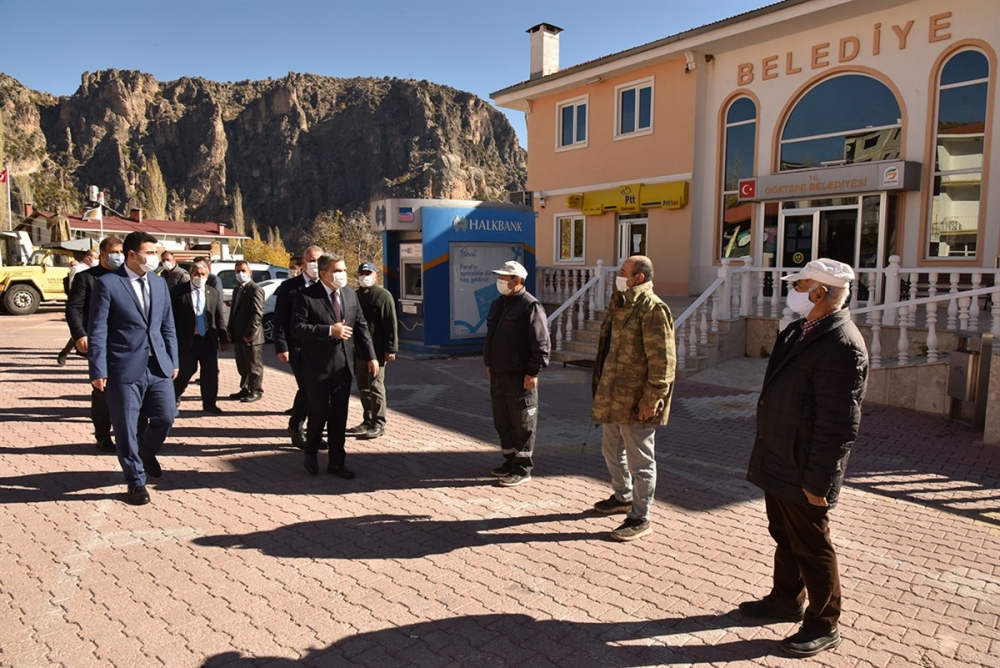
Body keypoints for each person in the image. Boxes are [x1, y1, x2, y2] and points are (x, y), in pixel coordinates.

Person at [739, 258, 869, 658]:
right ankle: (784, 600)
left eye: (800, 283)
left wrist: (820, 482)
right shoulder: (799, 330)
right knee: (784, 536)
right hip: (778, 455)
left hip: (803, 468)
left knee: (813, 546)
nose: (792, 289)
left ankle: (823, 623)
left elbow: (838, 425)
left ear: (820, 293)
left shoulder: (843, 344)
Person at [88, 231, 178, 506]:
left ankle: (146, 452)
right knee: (126, 428)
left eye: (155, 252)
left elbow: (167, 325)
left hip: (158, 366)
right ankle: (136, 481)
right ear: (131, 255)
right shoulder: (108, 284)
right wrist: (98, 369)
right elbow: (98, 329)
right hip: (123, 367)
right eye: (149, 253)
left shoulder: (159, 284)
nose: (154, 258)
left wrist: (173, 360)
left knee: (166, 417)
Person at [590, 255, 675, 542]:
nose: (618, 274)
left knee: (641, 462)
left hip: (637, 401)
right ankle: (622, 496)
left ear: (639, 277)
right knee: (611, 452)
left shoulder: (653, 309)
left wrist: (652, 398)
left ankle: (640, 516)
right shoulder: (622, 304)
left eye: (623, 271)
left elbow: (663, 361)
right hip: (612, 398)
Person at [292, 253, 378, 479]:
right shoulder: (306, 296)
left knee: (339, 417)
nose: (342, 275)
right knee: (320, 412)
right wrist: (330, 330)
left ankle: (337, 462)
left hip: (343, 367)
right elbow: (297, 328)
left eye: (344, 270)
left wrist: (371, 356)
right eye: (337, 271)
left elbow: (361, 327)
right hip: (317, 367)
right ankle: (310, 451)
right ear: (323, 274)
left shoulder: (350, 294)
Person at [482, 260, 550, 487]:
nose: (500, 281)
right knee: (503, 421)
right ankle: (509, 461)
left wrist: (533, 372)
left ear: (518, 281)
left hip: (520, 377)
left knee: (522, 422)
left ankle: (522, 468)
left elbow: (540, 343)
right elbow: (492, 337)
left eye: (505, 277)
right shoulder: (498, 304)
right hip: (499, 374)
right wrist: (490, 364)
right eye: (499, 277)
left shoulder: (530, 306)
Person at [65, 237, 123, 452]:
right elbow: (74, 308)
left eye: (122, 251)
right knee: (102, 392)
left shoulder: (126, 277)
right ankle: (103, 436)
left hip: (126, 343)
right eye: (115, 251)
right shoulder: (86, 278)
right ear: (104, 254)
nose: (119, 255)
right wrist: (80, 334)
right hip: (100, 343)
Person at [275, 245, 324, 447]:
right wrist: (281, 347)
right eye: (311, 261)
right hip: (297, 347)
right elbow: (280, 320)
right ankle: (296, 426)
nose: (314, 265)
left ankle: (314, 432)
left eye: (318, 261)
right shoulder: (289, 287)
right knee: (307, 388)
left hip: (321, 347)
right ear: (303, 263)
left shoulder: (325, 286)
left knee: (319, 390)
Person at [349, 261, 399, 440]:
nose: (365, 276)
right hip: (359, 351)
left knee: (376, 386)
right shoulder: (354, 296)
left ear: (376, 275)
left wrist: (390, 348)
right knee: (363, 387)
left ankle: (379, 423)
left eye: (369, 273)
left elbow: (390, 324)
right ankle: (367, 419)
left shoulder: (383, 296)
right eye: (362, 273)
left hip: (377, 351)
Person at [172, 260, 227, 414]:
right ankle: (174, 396)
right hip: (187, 340)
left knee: (210, 373)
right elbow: (172, 317)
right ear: (190, 275)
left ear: (207, 275)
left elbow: (218, 317)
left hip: (207, 340)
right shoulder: (178, 292)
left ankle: (209, 404)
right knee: (185, 371)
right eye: (196, 274)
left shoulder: (212, 292)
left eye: (203, 274)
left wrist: (223, 338)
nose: (199, 277)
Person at [228, 260, 265, 402]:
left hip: (252, 336)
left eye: (243, 270)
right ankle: (245, 388)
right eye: (237, 271)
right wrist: (230, 329)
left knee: (254, 365)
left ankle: (256, 390)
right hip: (238, 334)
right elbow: (233, 312)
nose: (240, 274)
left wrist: (250, 333)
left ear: (250, 272)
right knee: (242, 364)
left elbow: (257, 314)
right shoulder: (237, 289)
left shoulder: (255, 289)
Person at [57, 249, 99, 365]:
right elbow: (73, 287)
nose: (96, 260)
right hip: (80, 304)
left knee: (82, 331)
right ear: (88, 258)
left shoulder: (93, 270)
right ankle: (65, 353)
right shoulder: (78, 269)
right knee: (80, 331)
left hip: (89, 303)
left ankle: (65, 352)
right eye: (95, 258)